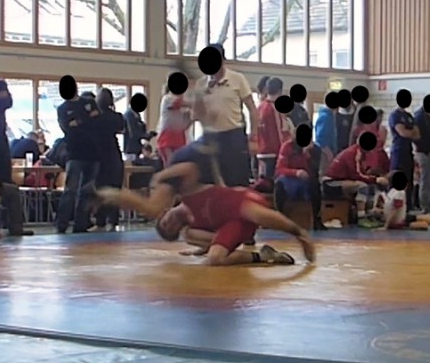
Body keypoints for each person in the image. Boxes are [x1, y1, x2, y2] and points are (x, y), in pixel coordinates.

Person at [97, 136, 315, 267]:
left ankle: (299, 233)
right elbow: (212, 241)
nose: (171, 222)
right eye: (172, 228)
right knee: (215, 259)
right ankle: (263, 256)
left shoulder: (185, 193)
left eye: (165, 222)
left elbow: (190, 169)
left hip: (239, 201)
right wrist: (203, 249)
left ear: (165, 213)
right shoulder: (191, 230)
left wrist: (160, 176)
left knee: (254, 215)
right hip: (234, 223)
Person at [195, 43, 259, 188]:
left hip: (233, 135)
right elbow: (196, 114)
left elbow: (252, 109)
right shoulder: (201, 84)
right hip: (211, 137)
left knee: (237, 181)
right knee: (210, 182)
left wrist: (253, 137)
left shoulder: (237, 79)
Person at [56, 89, 102, 233]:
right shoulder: (62, 109)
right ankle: (62, 224)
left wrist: (78, 121)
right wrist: (87, 118)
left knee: (86, 192)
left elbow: (97, 122)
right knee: (70, 190)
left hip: (93, 153)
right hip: (74, 154)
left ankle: (81, 224)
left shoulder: (89, 102)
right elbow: (67, 128)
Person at [322, 143, 389, 219]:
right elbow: (356, 175)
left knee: (370, 186)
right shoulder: (353, 153)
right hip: (331, 182)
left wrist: (373, 179)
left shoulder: (361, 153)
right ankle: (361, 216)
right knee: (362, 186)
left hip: (341, 180)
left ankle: (370, 213)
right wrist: (375, 179)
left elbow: (360, 173)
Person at [94, 88, 126, 232]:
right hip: (114, 154)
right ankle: (112, 221)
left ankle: (99, 221)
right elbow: (122, 128)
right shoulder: (117, 117)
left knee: (100, 189)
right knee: (115, 188)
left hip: (99, 154)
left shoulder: (95, 117)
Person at [273, 134, 322, 229]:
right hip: (289, 178)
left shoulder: (316, 149)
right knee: (279, 185)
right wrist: (295, 172)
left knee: (315, 185)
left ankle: (317, 218)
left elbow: (314, 172)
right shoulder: (287, 146)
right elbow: (280, 169)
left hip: (307, 180)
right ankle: (280, 217)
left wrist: (307, 155)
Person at [387, 98, 420, 210]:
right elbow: (403, 133)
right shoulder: (394, 115)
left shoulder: (409, 116)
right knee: (397, 178)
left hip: (408, 151)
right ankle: (393, 203)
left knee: (409, 179)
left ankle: (408, 206)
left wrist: (409, 132)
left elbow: (417, 135)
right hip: (398, 151)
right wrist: (410, 132)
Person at [256, 78, 291, 180]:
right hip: (273, 152)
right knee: (272, 183)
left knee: (263, 183)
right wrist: (284, 150)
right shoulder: (274, 108)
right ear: (280, 91)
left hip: (261, 151)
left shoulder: (260, 107)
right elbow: (279, 131)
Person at [156, 83, 190, 167]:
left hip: (178, 135)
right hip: (167, 136)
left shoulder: (182, 105)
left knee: (179, 164)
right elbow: (178, 103)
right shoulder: (168, 98)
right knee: (170, 163)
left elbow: (186, 123)